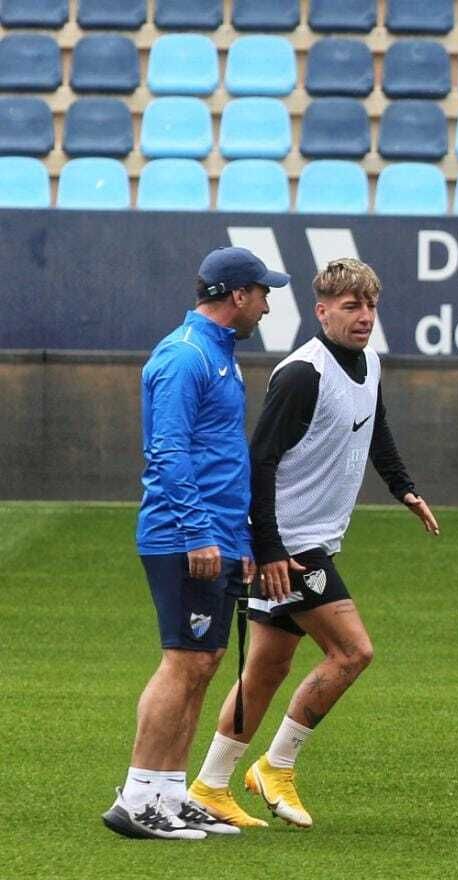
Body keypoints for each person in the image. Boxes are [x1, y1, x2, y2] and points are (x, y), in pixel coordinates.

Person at [184, 259, 438, 830]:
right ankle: (277, 766)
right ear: (321, 311)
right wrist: (270, 548)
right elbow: (260, 460)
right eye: (351, 307)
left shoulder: (369, 363)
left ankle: (210, 785)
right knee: (353, 652)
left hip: (310, 539)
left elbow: (375, 427)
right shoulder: (303, 374)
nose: (364, 317)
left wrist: (403, 487)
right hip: (292, 544)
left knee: (268, 669)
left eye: (370, 306)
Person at [102, 246, 287, 840]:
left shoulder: (215, 355)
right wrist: (201, 532)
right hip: (185, 537)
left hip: (214, 536)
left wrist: (239, 540)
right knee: (183, 662)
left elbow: (218, 459)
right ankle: (138, 797)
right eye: (262, 292)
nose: (265, 303)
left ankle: (168, 792)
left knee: (203, 662)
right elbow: (169, 453)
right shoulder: (185, 358)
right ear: (237, 295)